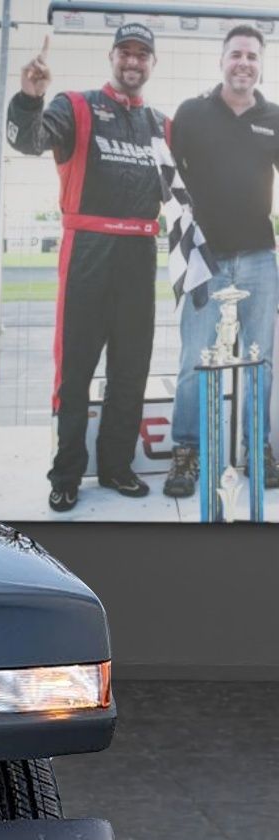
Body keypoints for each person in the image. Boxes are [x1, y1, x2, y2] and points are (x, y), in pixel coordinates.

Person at [7, 24, 167, 512]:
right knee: (74, 371)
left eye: (143, 54)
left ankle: (117, 467)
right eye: (126, 52)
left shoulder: (163, 124)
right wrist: (30, 98)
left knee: (130, 370)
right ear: (112, 56)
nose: (133, 61)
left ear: (152, 64)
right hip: (88, 251)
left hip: (141, 254)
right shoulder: (75, 106)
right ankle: (67, 474)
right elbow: (28, 141)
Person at [163, 24, 279, 498]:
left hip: (258, 255)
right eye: (236, 55)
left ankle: (258, 449)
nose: (244, 63)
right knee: (194, 360)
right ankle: (186, 451)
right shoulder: (191, 113)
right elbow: (164, 177)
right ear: (222, 61)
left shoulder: (274, 117)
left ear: (260, 63)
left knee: (259, 360)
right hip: (202, 260)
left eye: (252, 56)